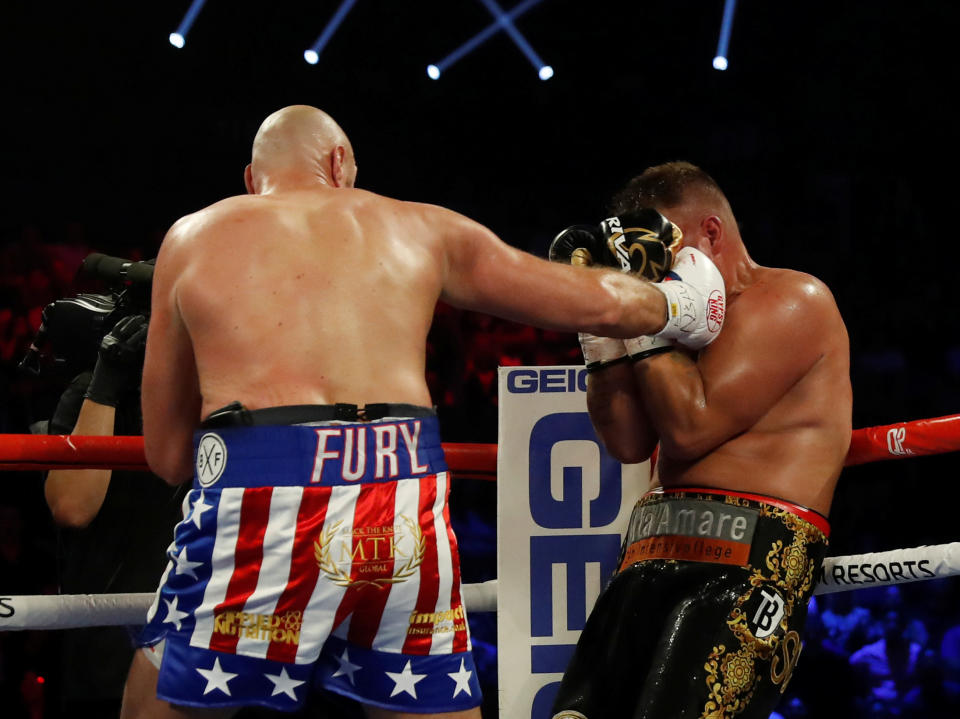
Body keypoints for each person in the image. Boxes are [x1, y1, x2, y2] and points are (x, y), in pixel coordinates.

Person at [120, 106, 721, 719]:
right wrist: (681, 302)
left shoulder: (194, 235)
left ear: (252, 179)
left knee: (157, 698)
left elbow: (166, 456)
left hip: (263, 497)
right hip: (401, 497)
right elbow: (584, 299)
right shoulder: (417, 226)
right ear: (339, 164)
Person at [549, 161, 852, 719]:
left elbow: (690, 427)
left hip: (749, 561)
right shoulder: (682, 327)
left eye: (661, 247)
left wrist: (647, 312)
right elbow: (628, 442)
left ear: (710, 233)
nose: (650, 268)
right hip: (646, 556)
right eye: (636, 257)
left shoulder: (791, 299)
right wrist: (600, 329)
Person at [42, 313, 188, 716]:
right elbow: (72, 508)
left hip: (203, 646)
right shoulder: (97, 390)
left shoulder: (229, 394)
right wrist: (105, 385)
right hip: (106, 650)